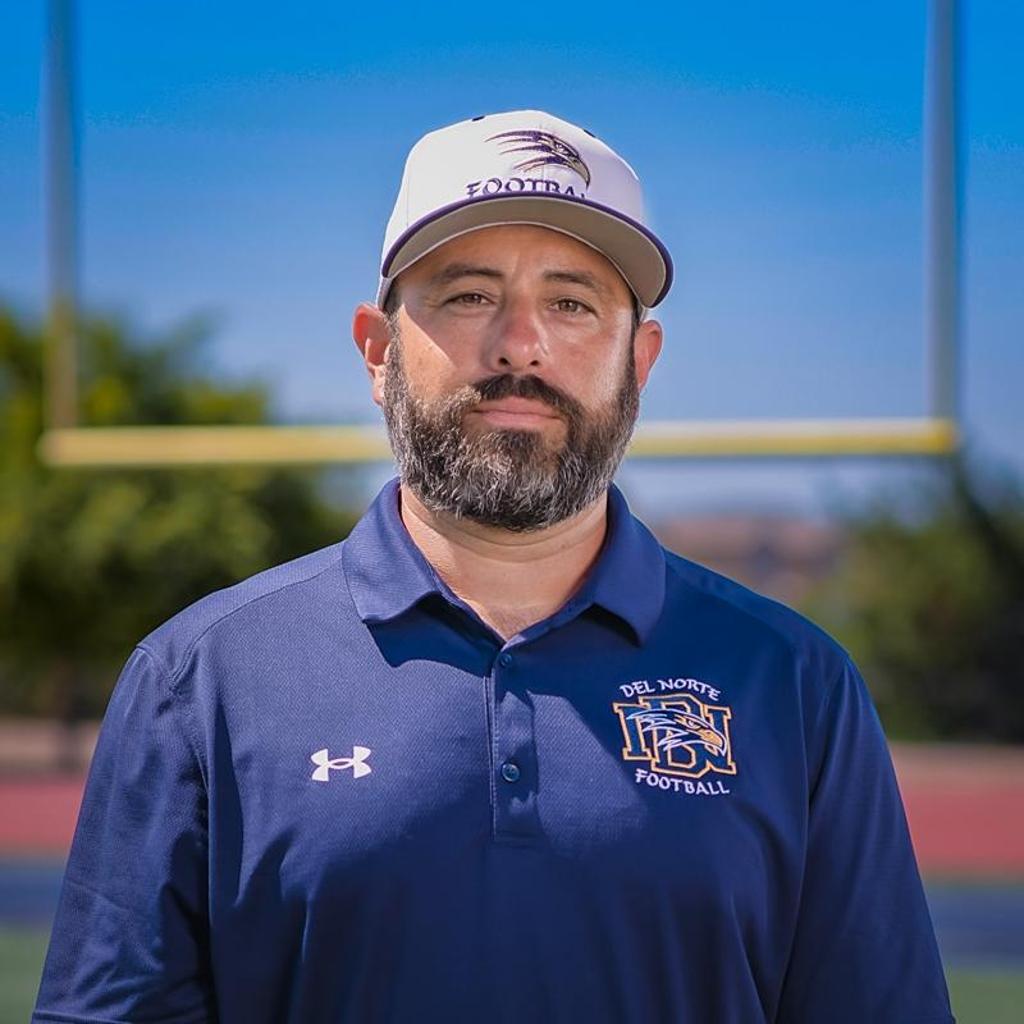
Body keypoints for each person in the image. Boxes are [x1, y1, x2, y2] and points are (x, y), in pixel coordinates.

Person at [33, 109, 955, 1023]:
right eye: (470, 295)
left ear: (640, 361)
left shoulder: (792, 682)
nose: (521, 343)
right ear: (378, 351)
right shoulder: (200, 678)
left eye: (572, 303)